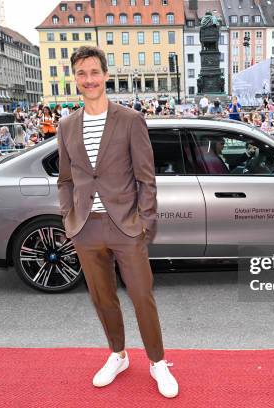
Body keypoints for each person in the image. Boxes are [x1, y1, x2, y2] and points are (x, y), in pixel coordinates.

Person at [56, 45, 178, 398]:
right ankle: (118, 355)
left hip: (126, 225)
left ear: (106, 75)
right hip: (86, 227)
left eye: (94, 72)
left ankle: (157, 362)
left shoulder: (129, 119)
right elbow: (65, 179)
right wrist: (68, 217)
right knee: (102, 297)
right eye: (82, 74)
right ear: (75, 79)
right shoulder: (66, 125)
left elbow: (146, 177)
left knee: (142, 295)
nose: (88, 80)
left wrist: (144, 222)